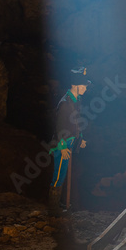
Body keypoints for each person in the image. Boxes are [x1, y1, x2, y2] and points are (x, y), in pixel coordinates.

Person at [49, 65, 90, 214]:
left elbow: (76, 123)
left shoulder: (76, 100)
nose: (85, 89)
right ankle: (53, 209)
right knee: (59, 174)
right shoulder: (65, 103)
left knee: (64, 173)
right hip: (63, 144)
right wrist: (62, 146)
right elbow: (59, 126)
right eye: (83, 86)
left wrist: (80, 139)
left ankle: (62, 204)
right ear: (75, 86)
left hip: (70, 141)